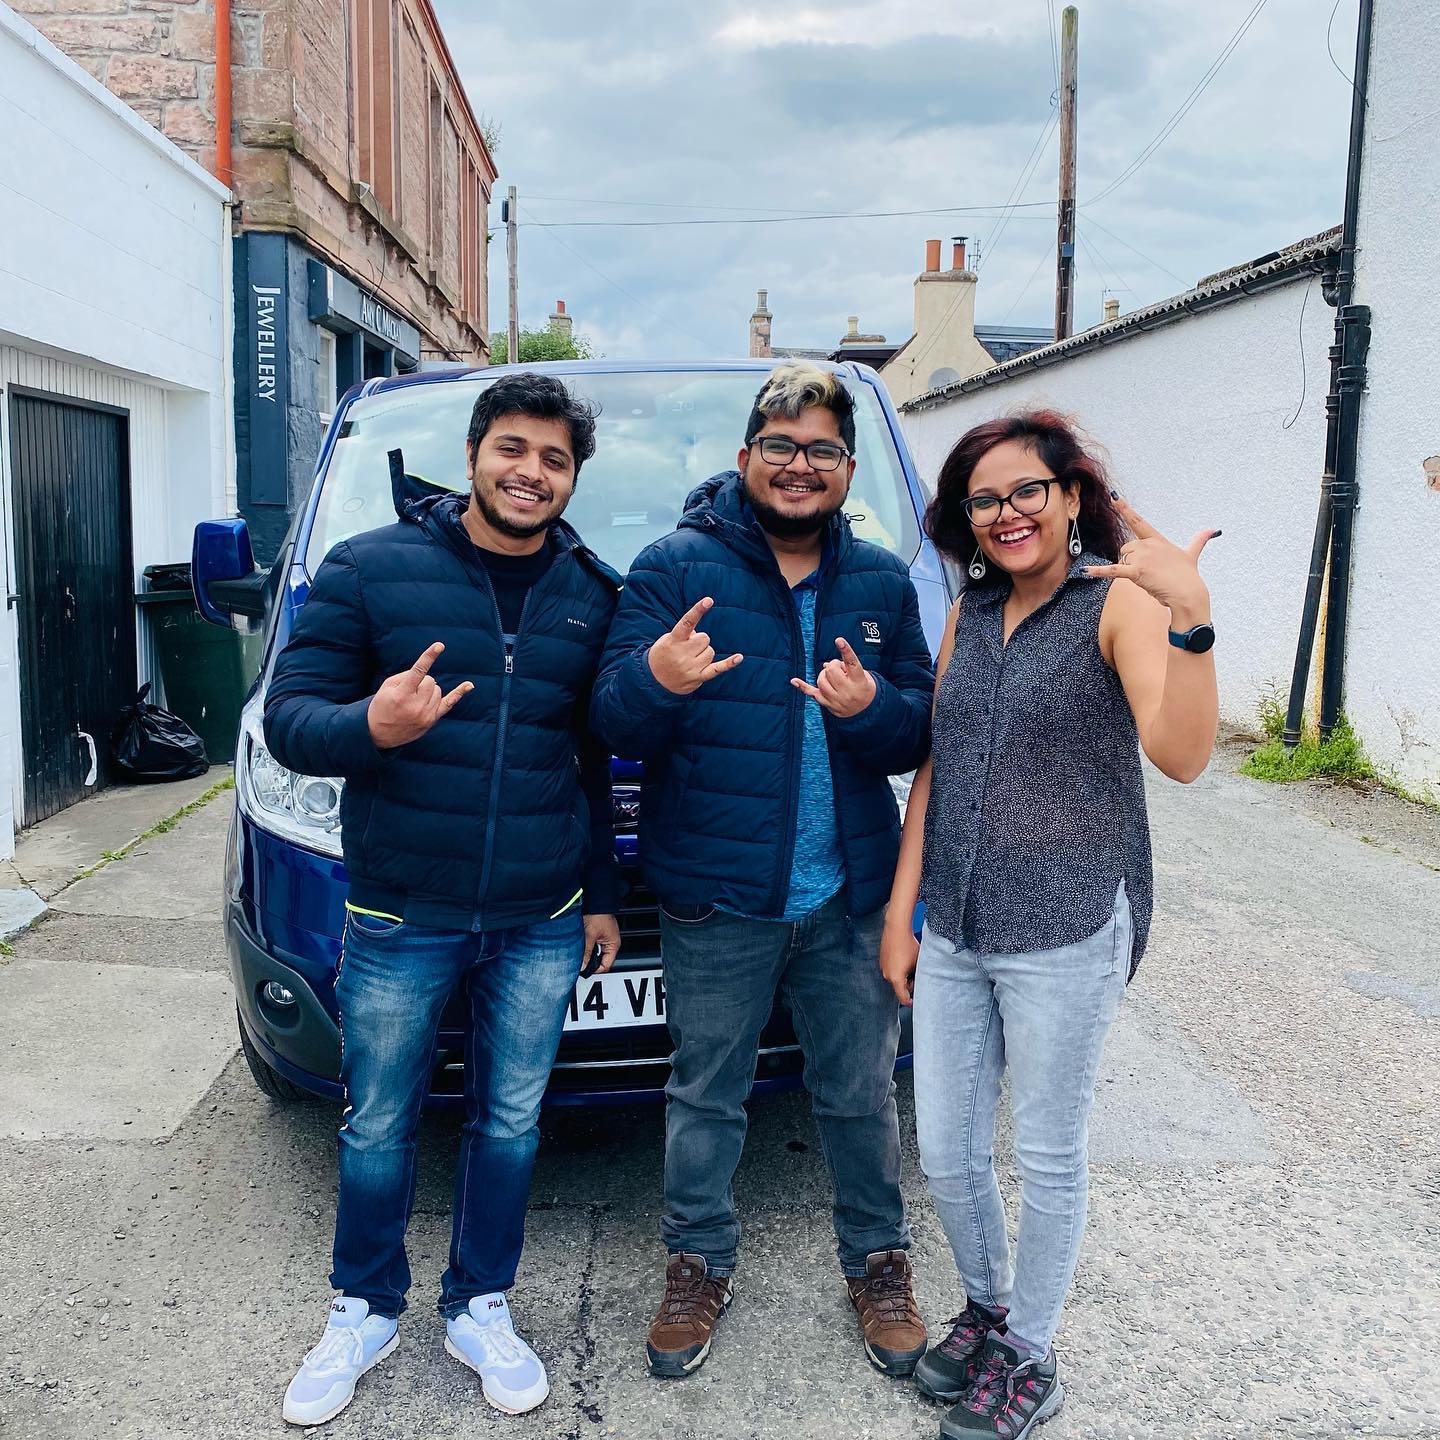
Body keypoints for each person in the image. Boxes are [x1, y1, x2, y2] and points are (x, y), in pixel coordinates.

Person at [264, 372, 622, 1426]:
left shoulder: (588, 593)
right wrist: (366, 727)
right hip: (401, 910)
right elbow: (289, 718)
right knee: (377, 1122)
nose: (532, 472)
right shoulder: (371, 569)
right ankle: (363, 1308)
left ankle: (480, 1304)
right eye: (514, 449)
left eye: (555, 460)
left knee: (510, 1122)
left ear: (570, 479)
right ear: (474, 456)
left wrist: (598, 893)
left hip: (541, 915)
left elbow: (591, 758)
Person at [591, 362, 936, 1381]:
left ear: (846, 467)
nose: (799, 464)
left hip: (847, 897)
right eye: (780, 446)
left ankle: (877, 1263)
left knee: (860, 1094)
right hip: (718, 898)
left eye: (821, 449)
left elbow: (917, 730)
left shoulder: (878, 580)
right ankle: (698, 1262)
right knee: (705, 1093)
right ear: (746, 458)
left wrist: (870, 709)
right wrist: (655, 679)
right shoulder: (673, 565)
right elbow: (610, 715)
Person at [879, 411, 1219, 1439]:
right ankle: (985, 1308)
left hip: (1069, 922)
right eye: (984, 498)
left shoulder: (1112, 608)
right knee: (943, 1148)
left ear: (1074, 498)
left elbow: (1182, 751)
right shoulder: (965, 619)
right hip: (959, 921)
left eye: (1029, 489)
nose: (1007, 512)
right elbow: (936, 768)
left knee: (1049, 1153)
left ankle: (1030, 1351)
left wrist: (1192, 620)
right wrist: (904, 913)